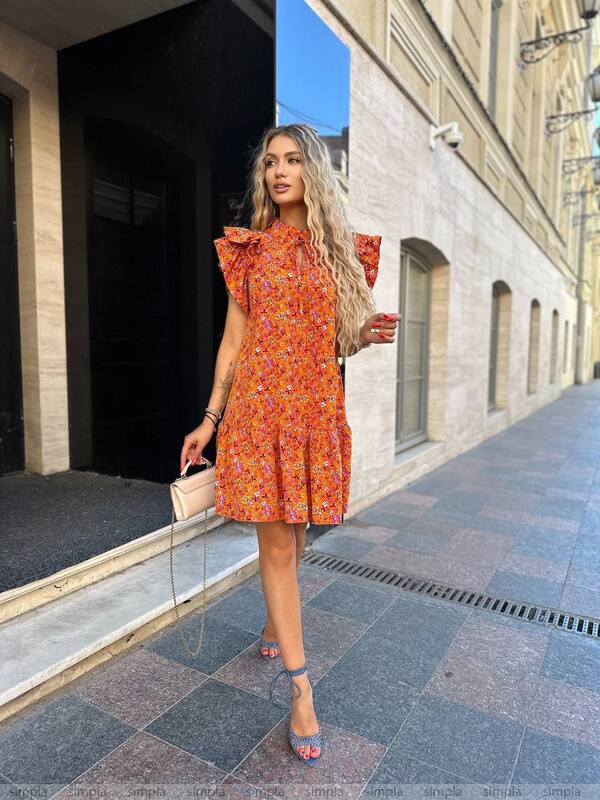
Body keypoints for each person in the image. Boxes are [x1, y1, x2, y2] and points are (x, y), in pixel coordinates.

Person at [180, 123, 399, 766]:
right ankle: (301, 693)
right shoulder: (250, 251)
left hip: (313, 412)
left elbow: (341, 341)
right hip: (258, 413)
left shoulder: (342, 252)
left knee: (298, 533)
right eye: (271, 161)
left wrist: (367, 333)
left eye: (293, 160)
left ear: (314, 173)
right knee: (276, 545)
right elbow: (232, 341)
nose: (279, 171)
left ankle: (277, 623)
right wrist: (210, 419)